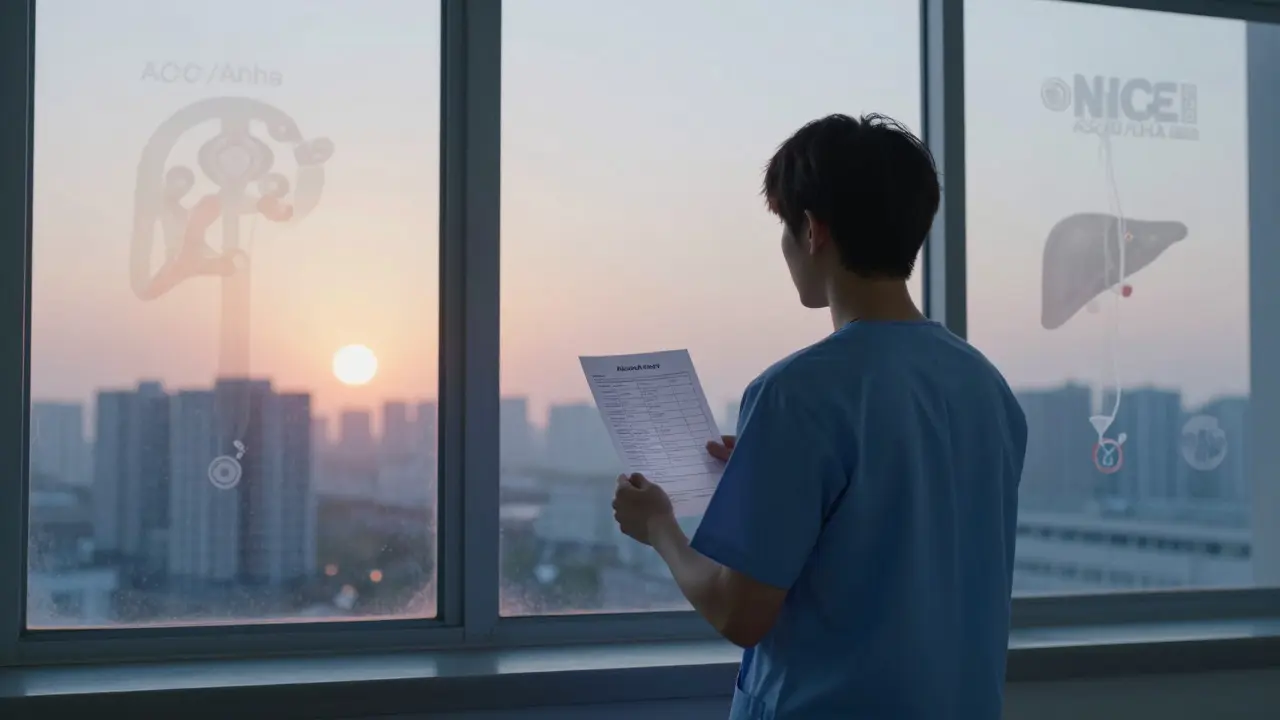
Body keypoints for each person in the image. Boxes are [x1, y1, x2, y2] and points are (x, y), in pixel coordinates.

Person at [612, 113, 1028, 719]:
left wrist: (659, 530)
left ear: (812, 230)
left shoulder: (796, 393)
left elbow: (739, 612)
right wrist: (763, 474)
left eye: (785, 226)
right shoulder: (987, 387)